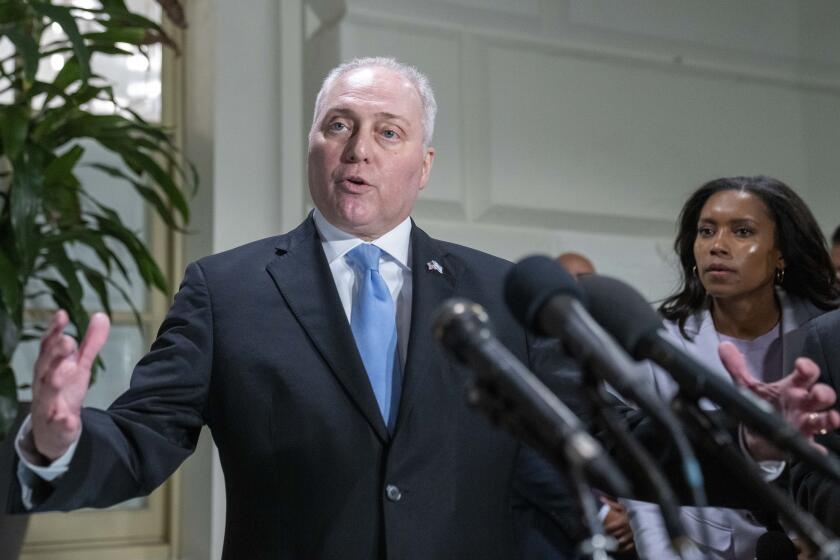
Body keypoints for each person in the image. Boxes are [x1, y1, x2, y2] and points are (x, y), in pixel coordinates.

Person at [9, 59, 839, 560]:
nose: (358, 147)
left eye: (387, 131)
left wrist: (749, 438)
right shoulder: (226, 291)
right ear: (313, 147)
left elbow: (613, 433)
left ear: (425, 162)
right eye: (337, 125)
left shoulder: (503, 290)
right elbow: (146, 434)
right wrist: (59, 440)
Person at [623, 176, 840, 560]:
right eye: (706, 231)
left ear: (781, 254)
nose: (717, 246)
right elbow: (645, 485)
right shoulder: (660, 345)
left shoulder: (825, 334)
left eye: (742, 232)